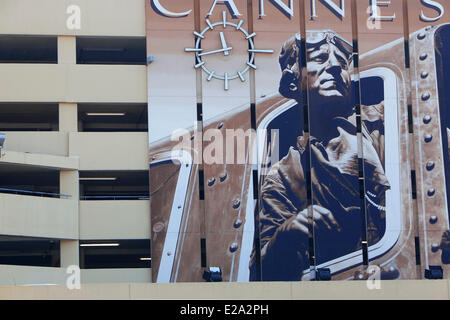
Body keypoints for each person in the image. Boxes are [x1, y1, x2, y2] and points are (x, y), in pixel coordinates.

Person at [250, 31, 390, 281]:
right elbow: (261, 272)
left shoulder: (387, 122)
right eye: (319, 58)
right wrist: (287, 233)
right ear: (292, 82)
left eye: (343, 62)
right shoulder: (283, 176)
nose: (336, 67)